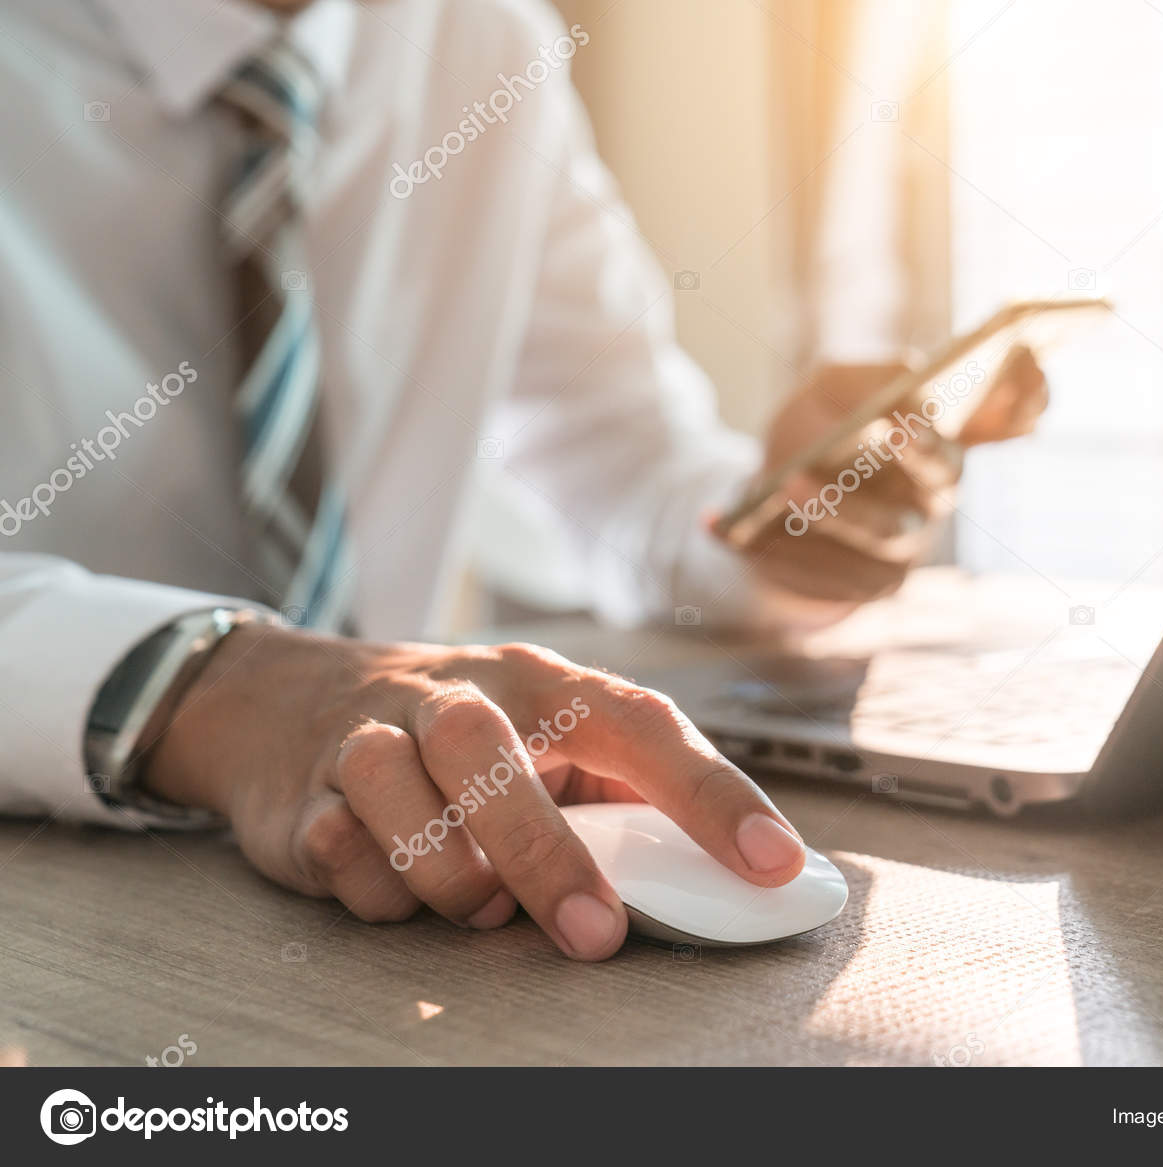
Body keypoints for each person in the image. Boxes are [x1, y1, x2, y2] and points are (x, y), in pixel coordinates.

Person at [0, 0, 1047, 960]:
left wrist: (788, 518)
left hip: (385, 893)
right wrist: (221, 691)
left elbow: (630, 467)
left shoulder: (477, 38)